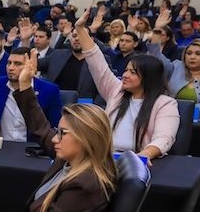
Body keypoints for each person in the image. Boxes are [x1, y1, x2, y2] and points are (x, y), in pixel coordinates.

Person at [0, 50, 118, 212]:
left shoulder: (85, 185)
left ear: (86, 139)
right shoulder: (71, 158)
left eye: (62, 133)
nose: (55, 139)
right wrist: (25, 86)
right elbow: (41, 128)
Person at [75, 9, 179, 163]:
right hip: (105, 158)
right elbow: (96, 61)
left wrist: (145, 155)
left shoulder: (165, 103)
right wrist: (80, 28)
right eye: (126, 70)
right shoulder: (116, 91)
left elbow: (164, 138)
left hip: (137, 162)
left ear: (148, 77)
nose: (125, 75)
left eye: (133, 72)